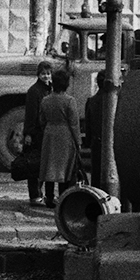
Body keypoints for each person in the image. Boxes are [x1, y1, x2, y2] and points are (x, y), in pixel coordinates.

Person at [37, 70, 85, 206]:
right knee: (65, 169)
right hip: (65, 135)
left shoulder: (45, 100)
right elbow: (74, 124)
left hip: (49, 133)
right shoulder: (70, 101)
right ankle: (63, 197)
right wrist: (78, 142)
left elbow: (41, 120)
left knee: (49, 166)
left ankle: (49, 197)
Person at [20, 61, 53, 203]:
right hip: (37, 132)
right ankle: (35, 194)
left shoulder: (49, 89)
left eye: (48, 73)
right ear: (38, 74)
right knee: (34, 164)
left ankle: (39, 193)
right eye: (43, 74)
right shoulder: (34, 91)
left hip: (45, 131)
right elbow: (30, 114)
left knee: (42, 163)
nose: (46, 76)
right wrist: (28, 133)